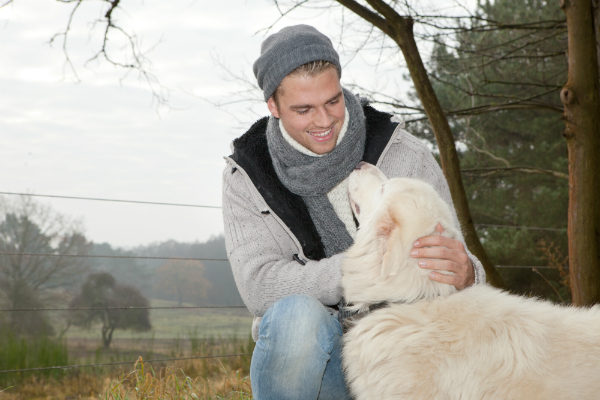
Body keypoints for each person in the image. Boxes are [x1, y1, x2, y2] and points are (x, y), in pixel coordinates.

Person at [221, 24, 486, 400]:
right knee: (296, 319)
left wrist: (468, 273)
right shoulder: (246, 175)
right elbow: (260, 286)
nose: (324, 120)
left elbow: (456, 262)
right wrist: (364, 266)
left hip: (408, 354)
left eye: (333, 101)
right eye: (303, 109)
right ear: (273, 107)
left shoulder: (403, 153)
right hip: (320, 361)